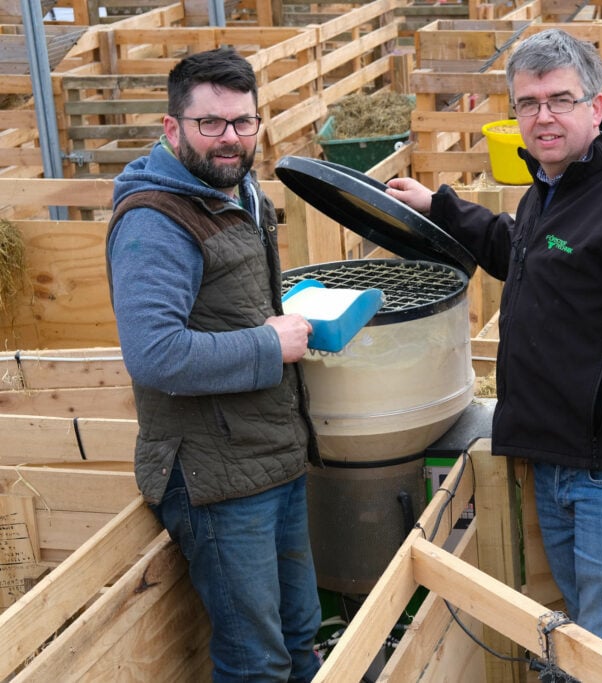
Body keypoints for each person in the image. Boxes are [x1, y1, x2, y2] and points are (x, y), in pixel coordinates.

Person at [386, 29, 602, 667]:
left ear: (596, 107)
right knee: (581, 636)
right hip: (556, 460)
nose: (544, 116)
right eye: (529, 103)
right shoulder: (549, 187)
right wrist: (442, 208)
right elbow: (527, 255)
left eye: (560, 100)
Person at [105, 47, 323, 682]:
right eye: (211, 124)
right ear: (172, 129)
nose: (231, 138)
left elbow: (237, 305)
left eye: (243, 122)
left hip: (271, 453)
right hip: (214, 480)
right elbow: (155, 354)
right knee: (255, 660)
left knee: (299, 632)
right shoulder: (156, 223)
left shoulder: (239, 191)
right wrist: (267, 344)